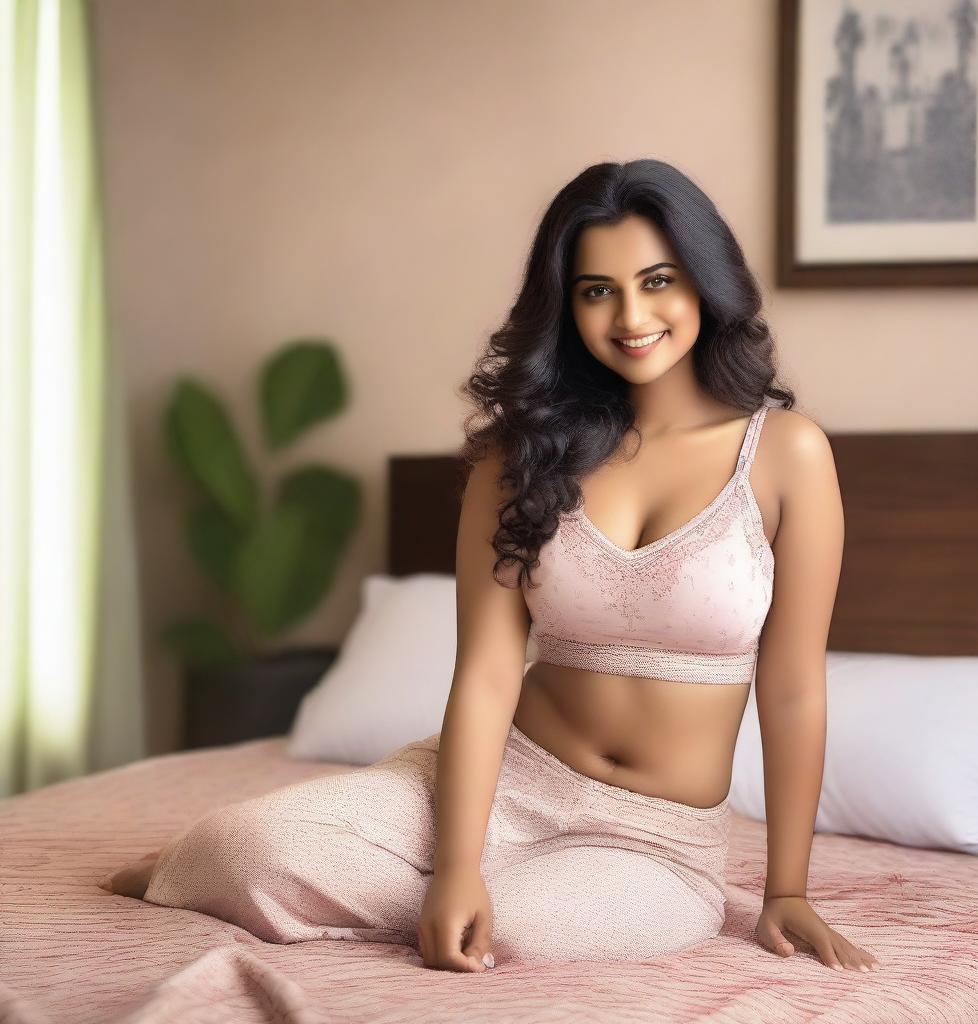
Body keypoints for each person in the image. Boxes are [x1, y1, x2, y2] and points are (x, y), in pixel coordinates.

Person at [105, 159, 880, 975]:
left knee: (514, 936)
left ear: (706, 283)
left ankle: (301, 886)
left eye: (659, 280)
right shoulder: (518, 461)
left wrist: (786, 890)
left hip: (653, 840)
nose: (631, 315)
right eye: (596, 290)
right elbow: (484, 675)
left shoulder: (787, 455)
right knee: (242, 844)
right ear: (565, 306)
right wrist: (456, 866)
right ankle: (236, 869)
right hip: (496, 784)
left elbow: (792, 689)